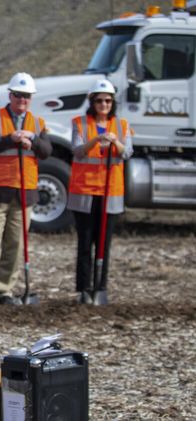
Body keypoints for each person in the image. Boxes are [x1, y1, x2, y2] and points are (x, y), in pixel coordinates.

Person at [0, 72, 52, 305]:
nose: (22, 100)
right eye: (18, 95)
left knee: (15, 244)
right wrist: (11, 138)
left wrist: (32, 141)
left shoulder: (38, 124)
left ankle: (4, 290)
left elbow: (46, 151)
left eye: (26, 96)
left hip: (24, 192)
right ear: (10, 95)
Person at [67, 79, 132, 304]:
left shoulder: (121, 126)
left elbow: (127, 153)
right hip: (85, 191)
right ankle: (84, 288)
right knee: (85, 241)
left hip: (110, 193)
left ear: (112, 102)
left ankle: (100, 287)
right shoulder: (80, 123)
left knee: (104, 242)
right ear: (92, 102)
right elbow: (77, 150)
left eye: (107, 100)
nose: (103, 104)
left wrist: (116, 143)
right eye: (99, 100)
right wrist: (96, 139)